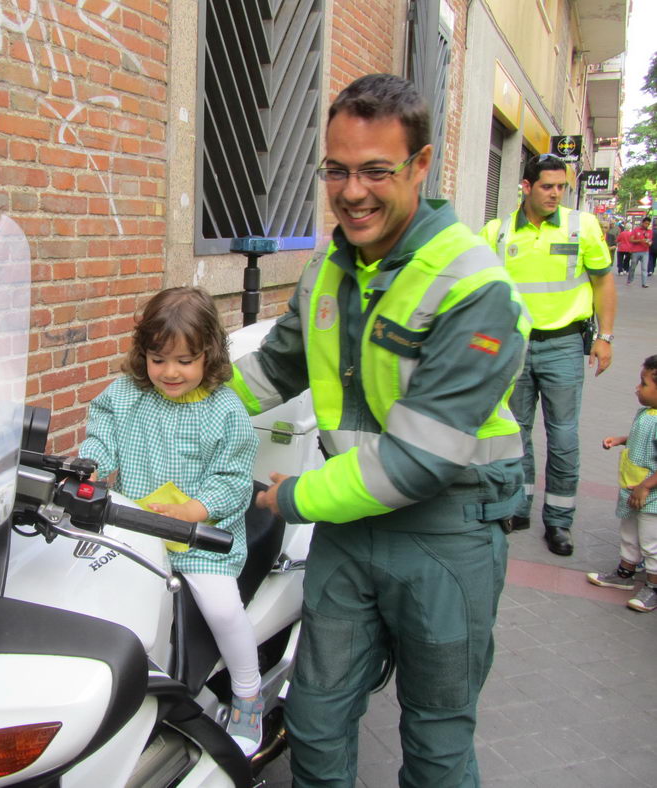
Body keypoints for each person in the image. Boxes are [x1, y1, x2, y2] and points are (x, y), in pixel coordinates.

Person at [230, 74, 529, 786]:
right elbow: (273, 371)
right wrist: (162, 402)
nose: (351, 191)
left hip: (444, 531)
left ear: (420, 166)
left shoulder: (472, 285)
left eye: (375, 171)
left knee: (434, 738)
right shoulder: (327, 268)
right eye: (336, 170)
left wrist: (292, 498)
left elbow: (420, 460)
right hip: (348, 530)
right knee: (314, 719)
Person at [78, 286, 263, 754]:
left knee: (221, 608)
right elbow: (103, 433)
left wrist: (194, 511)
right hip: (137, 527)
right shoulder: (127, 394)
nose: (170, 372)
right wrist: (92, 465)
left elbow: (235, 478)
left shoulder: (224, 410)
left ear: (209, 355)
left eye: (184, 360)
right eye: (158, 359)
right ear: (143, 355)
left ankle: (248, 692)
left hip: (201, 538)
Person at [481, 154, 616, 556]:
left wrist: (605, 336)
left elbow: (604, 282)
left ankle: (558, 522)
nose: (556, 193)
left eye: (561, 187)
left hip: (565, 345)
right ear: (526, 187)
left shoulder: (582, 226)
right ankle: (517, 507)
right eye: (547, 186)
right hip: (514, 347)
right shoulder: (497, 232)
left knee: (563, 437)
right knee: (514, 431)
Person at [587, 354, 657, 612]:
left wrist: (647, 486)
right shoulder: (647, 413)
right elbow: (643, 439)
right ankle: (625, 573)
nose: (637, 388)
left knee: (651, 542)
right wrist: (621, 439)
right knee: (629, 533)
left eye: (644, 383)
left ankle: (653, 586)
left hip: (650, 496)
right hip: (632, 489)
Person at [627, 217, 652, 287]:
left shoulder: (649, 231)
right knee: (633, 267)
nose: (647, 225)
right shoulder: (636, 230)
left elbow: (650, 241)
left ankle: (644, 283)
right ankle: (630, 280)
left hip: (645, 251)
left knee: (644, 268)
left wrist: (649, 243)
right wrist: (640, 240)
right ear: (642, 223)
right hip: (636, 251)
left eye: (648, 224)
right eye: (646, 223)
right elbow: (631, 240)